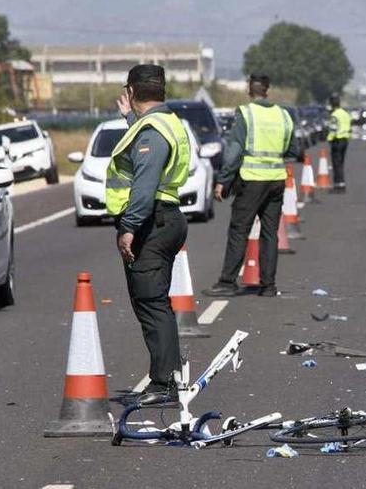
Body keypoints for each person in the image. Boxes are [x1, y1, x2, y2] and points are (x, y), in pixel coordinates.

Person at [106, 64, 189, 405]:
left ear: (132, 90)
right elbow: (146, 151)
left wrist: (129, 227)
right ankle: (167, 375)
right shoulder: (163, 122)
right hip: (164, 219)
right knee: (154, 302)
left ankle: (164, 381)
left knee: (152, 304)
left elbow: (144, 184)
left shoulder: (153, 129)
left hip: (151, 222)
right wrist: (130, 118)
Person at [204, 74, 300, 298]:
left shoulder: (246, 113)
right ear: (268, 89)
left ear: (249, 89)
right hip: (276, 179)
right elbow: (294, 150)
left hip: (251, 180)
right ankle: (268, 286)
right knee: (270, 233)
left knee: (239, 230)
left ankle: (228, 282)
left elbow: (234, 151)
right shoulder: (283, 114)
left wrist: (224, 181)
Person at [327, 95, 352, 192]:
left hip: (337, 140)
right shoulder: (345, 114)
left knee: (336, 163)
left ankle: (339, 184)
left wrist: (329, 138)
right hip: (345, 140)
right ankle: (341, 183)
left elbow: (333, 129)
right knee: (341, 162)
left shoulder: (335, 115)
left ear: (332, 104)